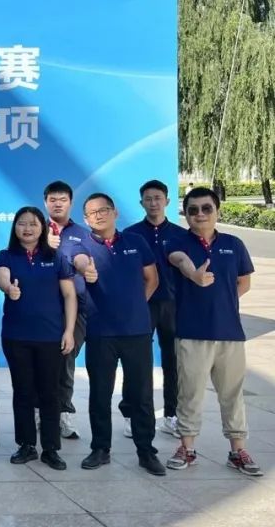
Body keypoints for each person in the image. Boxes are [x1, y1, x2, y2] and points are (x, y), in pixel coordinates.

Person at [165, 188, 263, 476]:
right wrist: (194, 275)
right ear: (186, 214)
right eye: (193, 210)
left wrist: (222, 304)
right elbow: (179, 260)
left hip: (230, 334)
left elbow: (244, 282)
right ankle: (187, 448)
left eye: (206, 208)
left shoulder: (234, 244)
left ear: (217, 210)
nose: (200, 214)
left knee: (232, 394)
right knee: (190, 393)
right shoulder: (177, 242)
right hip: (191, 333)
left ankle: (237, 451)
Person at [72, 193, 165, 476]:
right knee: (100, 393)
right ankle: (100, 448)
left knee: (141, 394)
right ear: (86, 219)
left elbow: (152, 279)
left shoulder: (135, 242)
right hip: (101, 333)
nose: (99, 215)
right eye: (92, 212)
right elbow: (78, 260)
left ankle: (146, 451)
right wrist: (86, 269)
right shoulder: (82, 244)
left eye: (104, 210)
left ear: (115, 213)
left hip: (136, 331)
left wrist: (135, 305)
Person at [0, 207, 76, 471]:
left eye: (33, 224)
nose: (27, 228)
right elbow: (1, 274)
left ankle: (51, 448)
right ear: (15, 227)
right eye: (22, 223)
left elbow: (69, 295)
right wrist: (8, 288)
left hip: (50, 336)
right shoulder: (7, 255)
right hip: (16, 336)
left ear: (42, 228)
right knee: (23, 391)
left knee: (50, 393)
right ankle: (26, 445)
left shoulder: (56, 257)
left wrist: (69, 331)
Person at [122, 180, 187, 439]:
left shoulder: (181, 235)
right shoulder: (130, 234)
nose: (153, 203)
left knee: (173, 361)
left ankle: (171, 414)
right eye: (148, 199)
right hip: (142, 304)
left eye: (158, 198)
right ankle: (132, 414)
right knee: (136, 362)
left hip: (174, 305)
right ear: (141, 203)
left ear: (167, 201)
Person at [43, 180, 88, 440]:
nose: (57, 204)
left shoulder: (82, 234)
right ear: (45, 202)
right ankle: (41, 413)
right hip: (43, 308)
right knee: (41, 361)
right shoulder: (34, 230)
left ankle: (64, 414)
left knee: (66, 359)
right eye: (53, 200)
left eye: (62, 200)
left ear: (70, 202)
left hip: (76, 308)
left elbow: (86, 263)